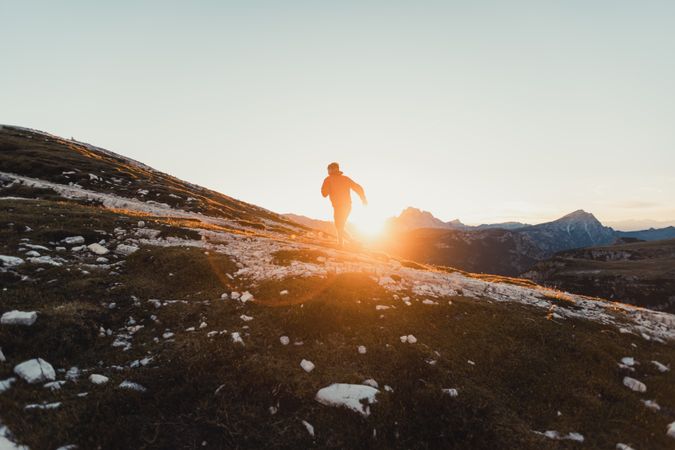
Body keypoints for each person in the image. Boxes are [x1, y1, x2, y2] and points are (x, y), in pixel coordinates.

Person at [321, 162, 367, 247]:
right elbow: (357, 187)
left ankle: (342, 243)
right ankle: (351, 241)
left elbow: (324, 194)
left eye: (330, 169)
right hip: (347, 206)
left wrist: (327, 186)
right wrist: (363, 198)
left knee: (339, 224)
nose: (329, 171)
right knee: (339, 224)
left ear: (336, 169)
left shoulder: (328, 179)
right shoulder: (345, 178)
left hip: (340, 206)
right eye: (329, 169)